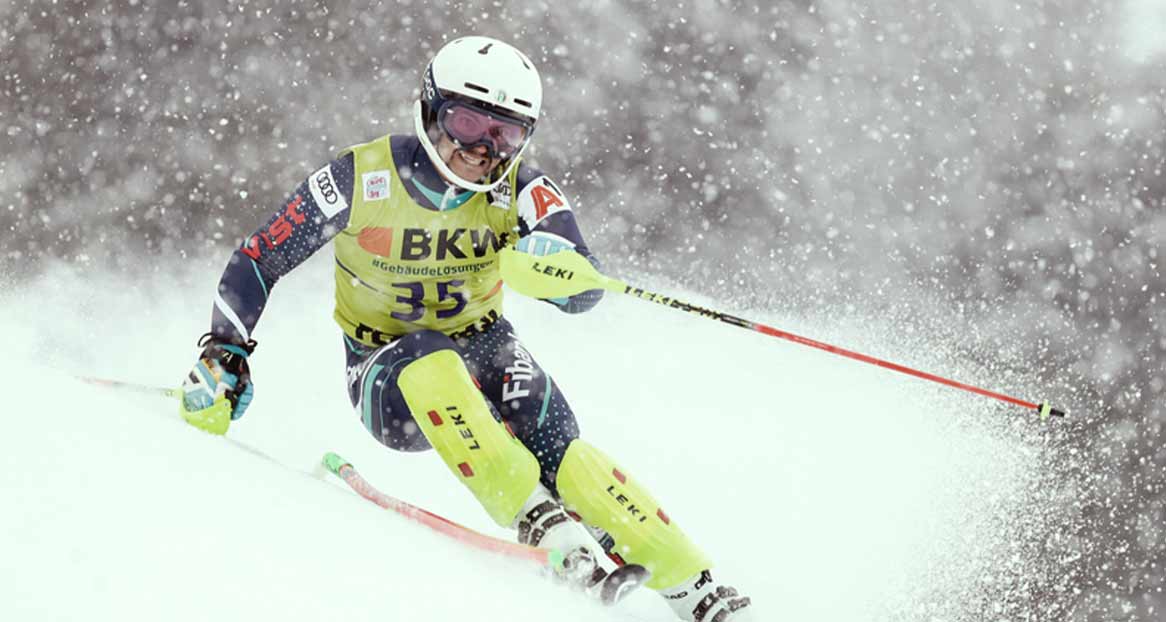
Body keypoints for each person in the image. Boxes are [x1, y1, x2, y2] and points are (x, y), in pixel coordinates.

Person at [178, 35, 752, 621]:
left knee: (561, 445)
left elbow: (584, 293)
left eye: (506, 133)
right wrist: (226, 350)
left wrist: (558, 269)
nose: (483, 148)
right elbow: (259, 257)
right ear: (430, 109)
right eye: (469, 120)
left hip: (486, 344)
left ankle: (695, 589)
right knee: (430, 354)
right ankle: (535, 515)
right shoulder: (360, 177)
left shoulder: (524, 191)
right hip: (387, 371)